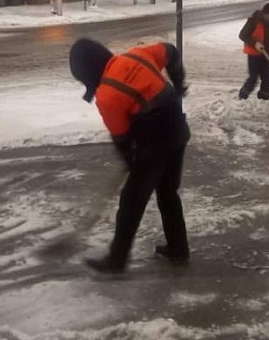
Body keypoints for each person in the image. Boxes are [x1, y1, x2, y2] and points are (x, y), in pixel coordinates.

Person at [69, 38, 191, 274]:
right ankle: (178, 249)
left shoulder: (107, 96)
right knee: (168, 193)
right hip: (178, 132)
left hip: (155, 142)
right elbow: (171, 52)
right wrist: (178, 85)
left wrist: (132, 161)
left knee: (131, 203)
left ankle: (117, 260)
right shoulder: (136, 54)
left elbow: (122, 138)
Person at [238, 2, 269, 100]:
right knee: (253, 79)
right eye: (268, 15)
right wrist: (255, 43)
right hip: (254, 55)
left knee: (268, 80)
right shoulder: (254, 20)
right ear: (263, 13)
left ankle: (263, 100)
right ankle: (242, 97)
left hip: (267, 54)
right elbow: (242, 35)